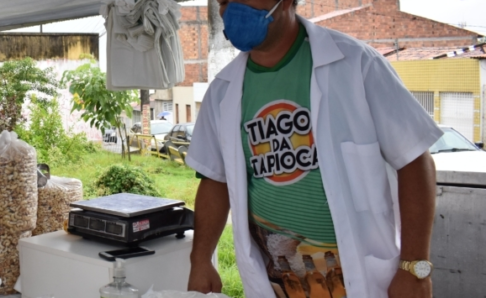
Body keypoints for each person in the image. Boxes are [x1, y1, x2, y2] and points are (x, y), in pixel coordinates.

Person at [186, 1, 439, 298]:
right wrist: (200, 259)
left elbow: (414, 160)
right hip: (277, 285)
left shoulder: (357, 64)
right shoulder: (222, 91)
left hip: (362, 281)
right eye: (225, 1)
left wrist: (414, 266)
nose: (233, 8)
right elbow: (216, 179)